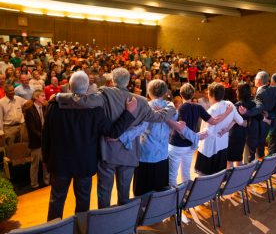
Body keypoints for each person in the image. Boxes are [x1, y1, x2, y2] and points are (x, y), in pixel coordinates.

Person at [56, 67, 176, 208]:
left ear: (113, 80)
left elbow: (83, 101)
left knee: (104, 193)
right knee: (124, 196)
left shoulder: (105, 94)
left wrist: (59, 97)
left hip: (108, 152)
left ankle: (105, 224)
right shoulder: (142, 101)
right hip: (129, 154)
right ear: (128, 81)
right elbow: (160, 117)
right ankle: (122, 224)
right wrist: (171, 106)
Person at [42, 71, 137, 221]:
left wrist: (46, 160)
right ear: (87, 88)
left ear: (69, 87)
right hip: (84, 163)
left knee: (56, 200)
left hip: (59, 162)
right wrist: (129, 113)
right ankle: (81, 231)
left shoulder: (54, 106)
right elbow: (112, 133)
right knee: (83, 201)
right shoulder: (95, 110)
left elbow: (46, 135)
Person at [168, 83, 233, 186]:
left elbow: (181, 129)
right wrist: (227, 112)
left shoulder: (182, 107)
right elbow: (214, 121)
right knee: (186, 172)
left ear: (181, 94)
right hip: (190, 144)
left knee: (172, 174)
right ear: (193, 94)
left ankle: (174, 199)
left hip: (177, 144)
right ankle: (185, 195)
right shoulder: (198, 107)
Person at [238, 71, 276, 158]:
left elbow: (259, 107)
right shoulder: (274, 89)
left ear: (259, 81)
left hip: (257, 124)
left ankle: (252, 168)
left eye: (256, 78)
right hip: (267, 124)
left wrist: (247, 112)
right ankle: (261, 167)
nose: (254, 80)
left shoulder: (261, 93)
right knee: (261, 148)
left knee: (252, 150)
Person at [195, 83, 246, 175]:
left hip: (209, 147)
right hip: (222, 144)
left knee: (204, 176)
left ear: (211, 95)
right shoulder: (229, 104)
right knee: (219, 174)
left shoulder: (211, 111)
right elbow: (241, 121)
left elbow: (206, 132)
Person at [227, 83, 257, 167]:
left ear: (240, 92)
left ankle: (230, 178)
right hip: (245, 133)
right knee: (238, 157)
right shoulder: (252, 104)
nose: (236, 91)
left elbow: (232, 121)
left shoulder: (237, 105)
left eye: (237, 90)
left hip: (234, 134)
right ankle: (239, 177)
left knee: (230, 159)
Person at [24, 90, 50, 189]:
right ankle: (34, 184)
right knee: (35, 164)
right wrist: (43, 137)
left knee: (46, 162)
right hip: (35, 141)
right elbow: (32, 129)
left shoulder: (44, 107)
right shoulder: (29, 110)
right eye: (42, 96)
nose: (44, 97)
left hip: (44, 140)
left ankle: (47, 181)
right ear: (36, 98)